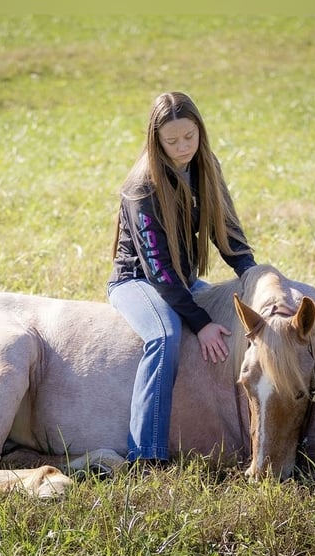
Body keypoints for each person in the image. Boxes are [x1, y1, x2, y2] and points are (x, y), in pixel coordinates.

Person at [107, 91, 257, 466]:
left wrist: (251, 274)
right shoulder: (141, 187)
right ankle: (147, 454)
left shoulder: (206, 167)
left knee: (234, 321)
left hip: (182, 281)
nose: (182, 147)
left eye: (189, 137)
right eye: (171, 141)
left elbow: (226, 231)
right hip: (137, 281)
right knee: (165, 335)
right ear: (155, 139)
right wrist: (201, 322)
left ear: (200, 132)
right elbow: (158, 270)